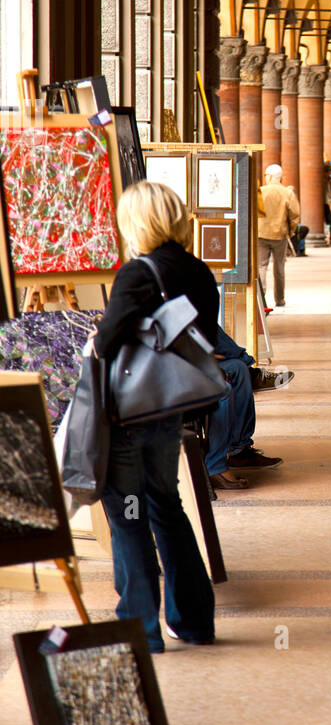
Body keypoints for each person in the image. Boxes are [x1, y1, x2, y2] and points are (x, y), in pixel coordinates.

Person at [93, 181, 217, 652]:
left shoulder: (138, 273)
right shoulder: (198, 271)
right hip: (169, 408)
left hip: (128, 413)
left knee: (127, 514)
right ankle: (193, 621)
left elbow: (107, 343)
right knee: (166, 506)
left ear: (136, 222)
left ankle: (139, 631)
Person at [258, 163, 295, 305]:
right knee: (279, 267)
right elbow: (295, 215)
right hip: (280, 234)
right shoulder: (287, 193)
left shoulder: (261, 191)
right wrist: (290, 231)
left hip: (261, 234)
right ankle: (279, 299)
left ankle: (261, 300)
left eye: (266, 175)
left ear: (270, 176)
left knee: (261, 266)